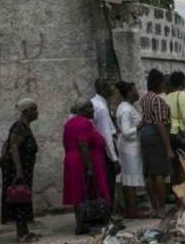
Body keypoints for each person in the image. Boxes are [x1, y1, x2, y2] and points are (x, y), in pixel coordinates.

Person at [63, 97, 113, 234]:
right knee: (85, 191)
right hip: (81, 160)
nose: (92, 110)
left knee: (77, 193)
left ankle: (81, 223)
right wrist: (89, 166)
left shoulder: (69, 123)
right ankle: (88, 223)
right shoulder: (85, 123)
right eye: (89, 107)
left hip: (71, 159)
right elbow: (83, 145)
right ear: (81, 110)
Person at [1, 98, 40, 242]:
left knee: (23, 197)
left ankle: (25, 231)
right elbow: (13, 146)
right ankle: (21, 234)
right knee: (19, 198)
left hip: (24, 168)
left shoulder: (24, 126)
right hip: (18, 169)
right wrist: (18, 170)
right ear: (26, 111)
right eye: (34, 109)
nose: (37, 112)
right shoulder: (19, 127)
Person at [139, 69, 174, 217]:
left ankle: (154, 207)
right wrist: (168, 148)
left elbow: (144, 119)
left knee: (149, 173)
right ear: (158, 83)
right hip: (156, 135)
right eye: (163, 83)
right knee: (158, 173)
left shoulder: (145, 99)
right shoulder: (157, 100)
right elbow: (160, 124)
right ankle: (161, 208)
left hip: (145, 134)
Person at [115, 81, 146, 218]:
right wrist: (140, 125)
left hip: (131, 147)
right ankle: (132, 210)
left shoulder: (127, 106)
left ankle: (132, 208)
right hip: (129, 148)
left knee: (129, 179)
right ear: (129, 93)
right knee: (129, 180)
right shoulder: (126, 109)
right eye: (135, 90)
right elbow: (126, 131)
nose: (137, 93)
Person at [90, 79, 121, 206]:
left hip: (98, 149)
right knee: (109, 183)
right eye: (109, 87)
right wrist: (114, 159)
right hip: (105, 150)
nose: (112, 90)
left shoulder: (95, 103)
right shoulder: (101, 108)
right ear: (103, 90)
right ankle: (109, 211)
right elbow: (106, 135)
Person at [165, 71, 185, 164]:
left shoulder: (167, 97)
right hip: (184, 134)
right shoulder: (182, 95)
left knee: (178, 163)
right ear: (183, 82)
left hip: (173, 133)